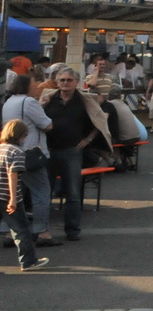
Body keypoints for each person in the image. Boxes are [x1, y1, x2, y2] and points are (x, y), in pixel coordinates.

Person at [43, 65, 111, 242]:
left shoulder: (84, 100)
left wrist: (88, 139)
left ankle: (73, 230)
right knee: (45, 193)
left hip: (72, 151)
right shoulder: (48, 99)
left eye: (69, 80)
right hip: (49, 151)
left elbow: (100, 120)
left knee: (72, 193)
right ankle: (42, 230)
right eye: (62, 80)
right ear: (57, 82)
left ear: (76, 82)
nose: (65, 83)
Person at [2, 74, 56, 248]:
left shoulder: (9, 102)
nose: (37, 86)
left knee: (15, 194)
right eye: (34, 84)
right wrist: (42, 108)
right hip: (31, 153)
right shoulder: (29, 102)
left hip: (12, 152)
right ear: (26, 86)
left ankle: (10, 231)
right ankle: (42, 232)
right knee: (41, 193)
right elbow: (47, 125)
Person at [1, 119, 48, 270]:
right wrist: (13, 199)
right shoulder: (17, 152)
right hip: (8, 196)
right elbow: (13, 174)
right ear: (21, 135)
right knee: (21, 229)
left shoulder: (1, 148)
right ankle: (28, 261)